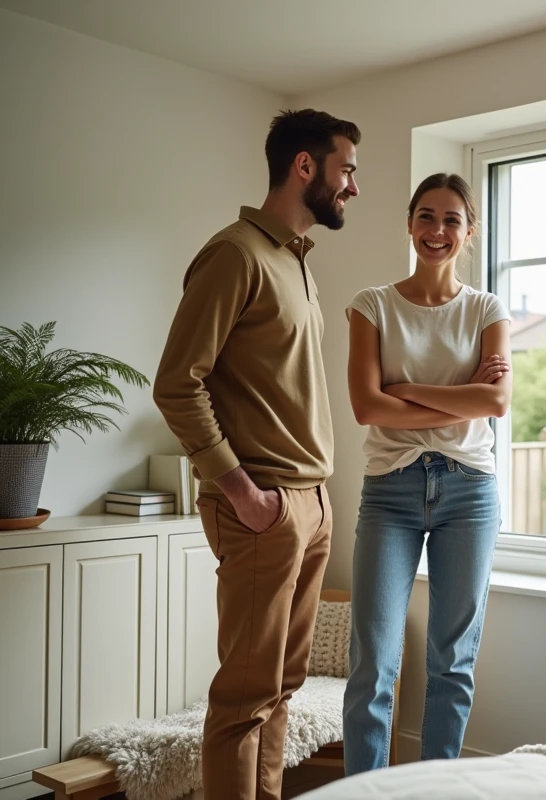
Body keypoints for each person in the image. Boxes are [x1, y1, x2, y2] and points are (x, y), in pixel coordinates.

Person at [152, 108, 360, 800]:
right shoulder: (235, 253)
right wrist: (240, 490)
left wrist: (313, 504)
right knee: (244, 697)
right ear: (306, 166)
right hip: (262, 507)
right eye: (346, 170)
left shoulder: (297, 263)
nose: (352, 187)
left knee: (281, 690)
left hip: (312, 503)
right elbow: (178, 384)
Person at [342, 172, 511, 773]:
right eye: (426, 217)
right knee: (374, 660)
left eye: (450, 220)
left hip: (470, 490)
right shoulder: (372, 305)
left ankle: (435, 789)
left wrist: (406, 388)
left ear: (469, 232)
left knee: (453, 660)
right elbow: (367, 407)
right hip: (390, 490)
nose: (436, 231)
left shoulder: (487, 309)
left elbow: (494, 404)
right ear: (410, 223)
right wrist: (458, 393)